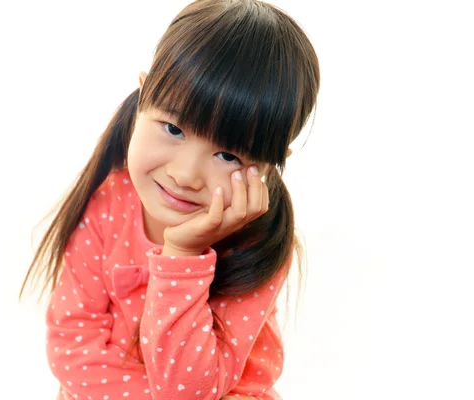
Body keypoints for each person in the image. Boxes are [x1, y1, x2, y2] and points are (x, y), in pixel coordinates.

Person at [20, 0, 320, 398]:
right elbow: (72, 346)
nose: (185, 175)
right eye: (173, 129)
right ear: (144, 95)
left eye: (228, 155)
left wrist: (183, 253)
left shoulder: (257, 241)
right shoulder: (110, 201)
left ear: (268, 165)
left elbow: (193, 391)